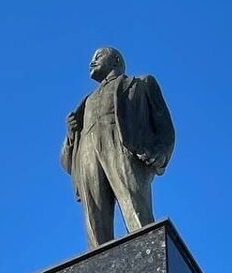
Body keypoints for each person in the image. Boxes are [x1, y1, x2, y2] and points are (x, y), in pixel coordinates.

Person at [60, 47, 175, 250]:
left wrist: (160, 152)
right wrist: (71, 134)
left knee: (136, 208)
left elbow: (164, 125)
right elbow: (66, 163)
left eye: (98, 57)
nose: (92, 62)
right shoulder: (85, 103)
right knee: (94, 220)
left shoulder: (140, 84)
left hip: (122, 146)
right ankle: (98, 263)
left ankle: (148, 251)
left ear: (115, 60)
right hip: (87, 153)